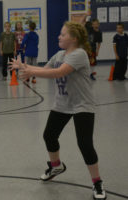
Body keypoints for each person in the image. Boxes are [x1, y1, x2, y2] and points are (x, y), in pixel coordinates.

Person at [10, 21, 106, 200]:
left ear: (74, 38)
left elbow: (58, 73)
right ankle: (56, 166)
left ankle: (97, 182)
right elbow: (45, 69)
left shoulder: (79, 54)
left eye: (63, 34)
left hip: (82, 105)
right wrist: (26, 68)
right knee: (49, 135)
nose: (58, 37)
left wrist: (30, 70)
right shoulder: (59, 54)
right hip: (63, 104)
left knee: (84, 144)